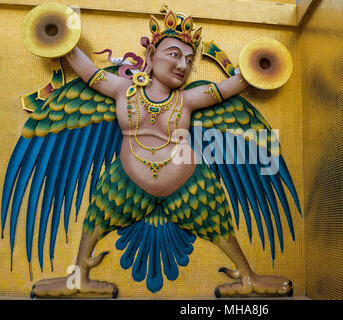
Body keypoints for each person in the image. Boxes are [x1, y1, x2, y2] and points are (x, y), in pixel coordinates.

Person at [30, 10, 293, 298]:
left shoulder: (187, 99)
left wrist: (260, 65)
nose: (183, 65)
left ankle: (249, 276)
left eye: (190, 60)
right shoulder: (123, 90)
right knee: (96, 218)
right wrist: (63, 40)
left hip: (189, 184)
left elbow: (228, 87)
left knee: (220, 224)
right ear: (152, 54)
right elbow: (89, 73)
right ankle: (79, 276)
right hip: (127, 181)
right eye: (175, 55)